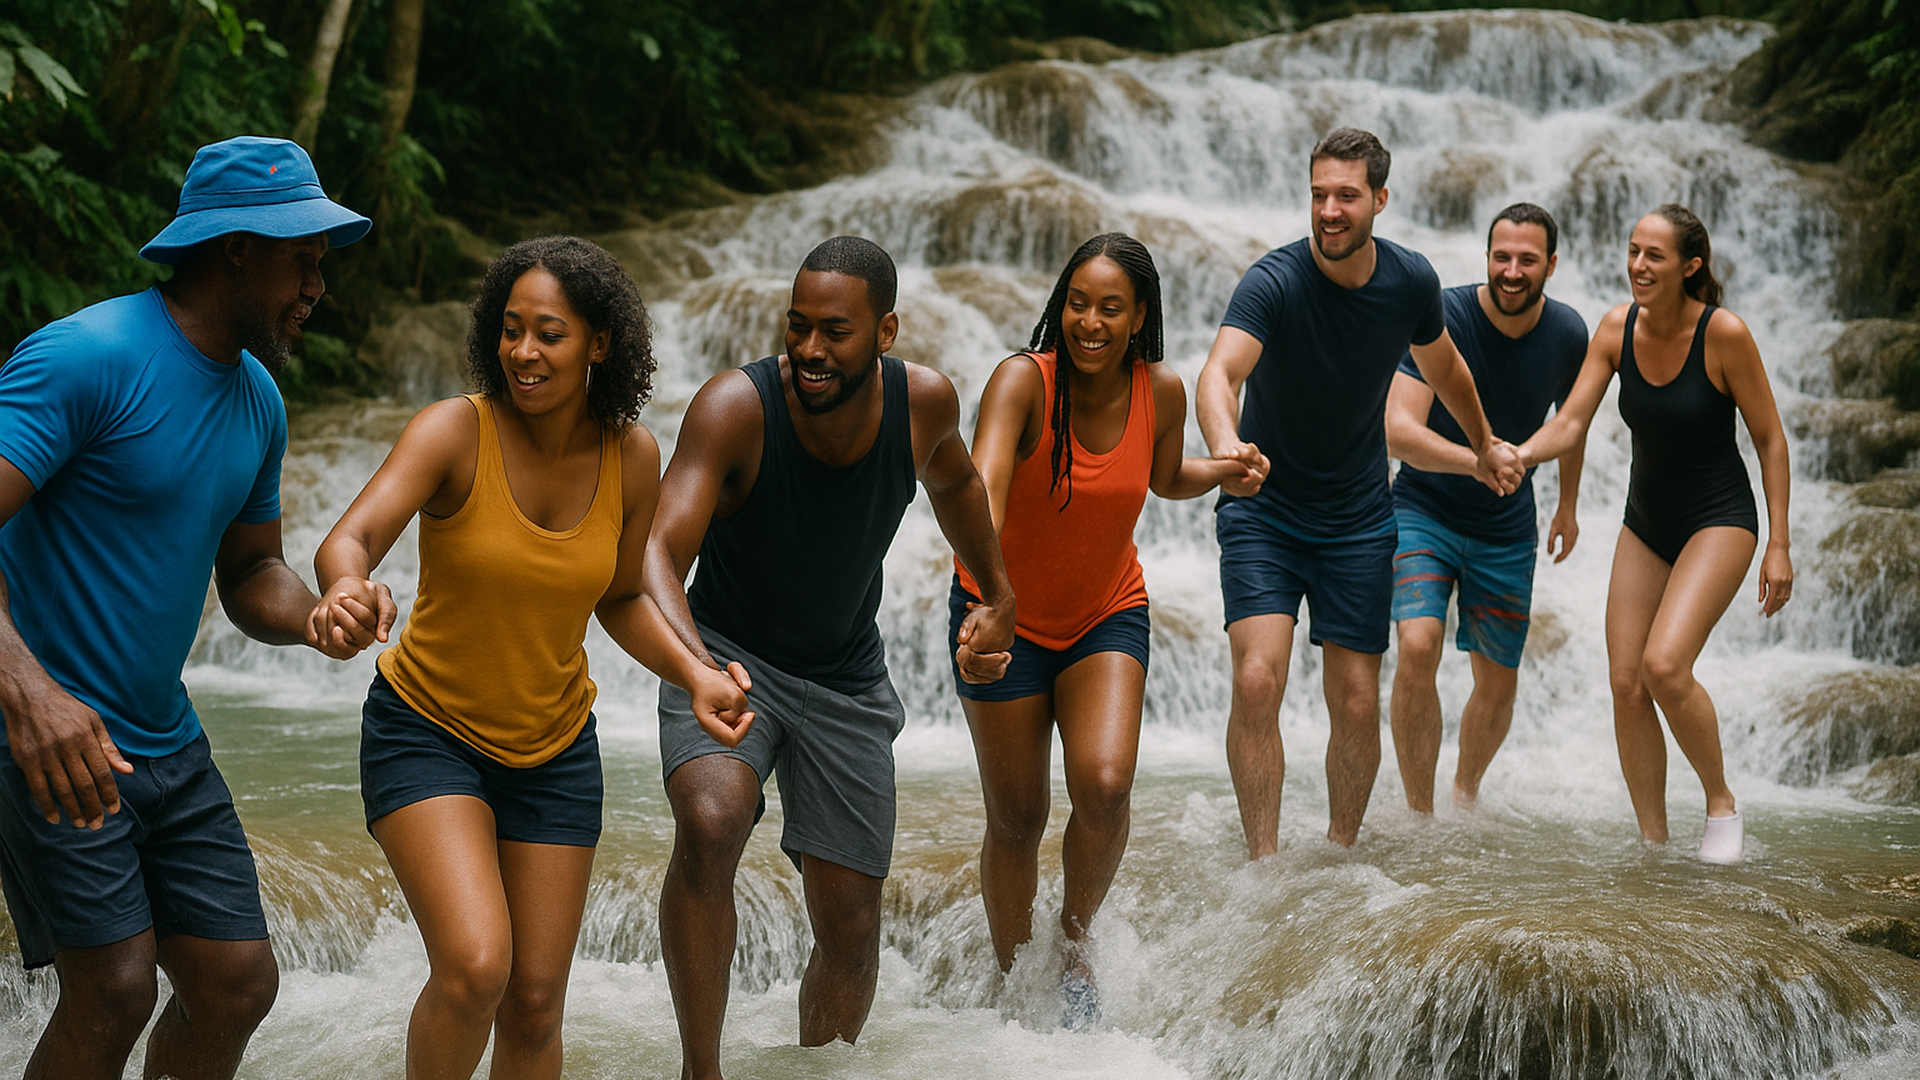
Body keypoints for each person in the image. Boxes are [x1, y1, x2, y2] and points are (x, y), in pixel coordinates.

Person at [307, 236, 752, 1080]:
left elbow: (621, 597)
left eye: (549, 334)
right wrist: (345, 588)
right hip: (426, 732)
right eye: (511, 330)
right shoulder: (455, 430)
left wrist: (695, 673)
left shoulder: (633, 456)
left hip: (555, 752)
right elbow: (351, 537)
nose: (523, 352)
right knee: (477, 967)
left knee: (537, 1001)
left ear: (599, 344)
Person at [0, 135, 373, 1080]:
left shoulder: (259, 400)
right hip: (47, 731)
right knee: (115, 990)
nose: (317, 287)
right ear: (235, 249)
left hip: (165, 740)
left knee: (235, 984)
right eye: (303, 260)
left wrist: (316, 615)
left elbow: (251, 571)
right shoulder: (86, 357)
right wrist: (29, 694)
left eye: (321, 264)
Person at [644, 235, 1016, 1079]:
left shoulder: (923, 404)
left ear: (885, 332)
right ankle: (701, 1071)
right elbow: (656, 552)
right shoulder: (734, 408)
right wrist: (697, 668)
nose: (809, 349)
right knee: (709, 823)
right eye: (797, 326)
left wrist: (999, 594)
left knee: (850, 927)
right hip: (726, 655)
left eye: (834, 332)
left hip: (846, 677)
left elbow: (958, 483)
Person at [956, 233, 1265, 1026]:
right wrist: (992, 600)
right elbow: (983, 489)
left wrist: (1223, 469)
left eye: (1110, 309)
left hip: (1105, 611)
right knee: (1017, 818)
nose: (1089, 323)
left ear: (1139, 318)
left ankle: (1072, 945)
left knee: (1105, 784)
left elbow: (1164, 476)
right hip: (1000, 615)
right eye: (1077, 303)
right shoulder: (1022, 382)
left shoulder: (1159, 390)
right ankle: (1013, 981)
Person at [1195, 127, 1524, 857]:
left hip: (1358, 521)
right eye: (1318, 195)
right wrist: (1226, 444)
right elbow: (1220, 373)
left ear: (1380, 198)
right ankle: (1263, 864)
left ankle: (1341, 855)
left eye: (1346, 195)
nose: (1329, 211)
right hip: (1265, 512)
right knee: (1256, 680)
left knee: (1353, 699)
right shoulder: (1273, 281)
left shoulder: (1410, 281)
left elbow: (1446, 370)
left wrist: (1483, 445)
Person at [1515, 203, 1791, 864]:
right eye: (1633, 251)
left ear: (1690, 267)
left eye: (1654, 256)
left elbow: (1769, 439)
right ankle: (1654, 841)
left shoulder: (1723, 334)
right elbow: (1571, 422)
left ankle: (1721, 802)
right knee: (1626, 681)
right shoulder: (1617, 328)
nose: (1638, 265)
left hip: (1719, 518)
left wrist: (1779, 543)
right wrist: (1519, 456)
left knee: (1664, 666)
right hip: (1646, 521)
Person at [1384, 203, 1590, 813]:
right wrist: (1476, 461)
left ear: (1551, 264)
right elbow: (1397, 429)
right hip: (1423, 507)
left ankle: (1465, 793)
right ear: (1487, 257)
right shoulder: (1442, 317)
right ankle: (1420, 811)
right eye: (1502, 257)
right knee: (1417, 645)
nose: (1512, 271)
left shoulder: (1568, 334)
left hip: (1506, 526)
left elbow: (1571, 423)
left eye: (1527, 259)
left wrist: (1568, 505)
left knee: (1498, 680)